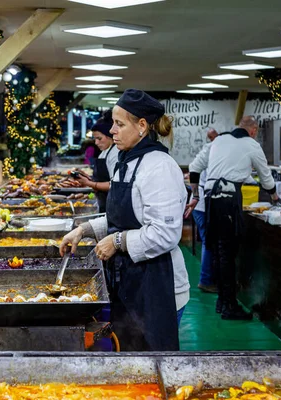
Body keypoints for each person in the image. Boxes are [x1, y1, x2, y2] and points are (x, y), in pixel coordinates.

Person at [60, 89, 189, 351]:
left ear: (142, 126)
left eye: (119, 124)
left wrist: (118, 242)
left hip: (157, 288)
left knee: (151, 368)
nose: (112, 131)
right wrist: (83, 230)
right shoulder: (127, 161)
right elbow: (120, 216)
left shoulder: (159, 167)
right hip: (131, 284)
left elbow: (165, 233)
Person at [186, 116, 279, 320]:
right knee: (228, 253)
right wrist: (275, 197)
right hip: (228, 199)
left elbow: (194, 168)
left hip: (211, 200)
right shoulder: (251, 145)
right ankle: (229, 306)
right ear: (253, 131)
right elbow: (266, 178)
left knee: (218, 252)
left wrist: (195, 194)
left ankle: (222, 301)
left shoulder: (218, 141)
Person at [184, 128, 219, 293]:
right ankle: (206, 280)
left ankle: (208, 278)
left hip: (200, 203)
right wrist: (197, 195)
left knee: (208, 241)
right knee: (209, 242)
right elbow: (194, 170)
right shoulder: (213, 152)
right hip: (203, 205)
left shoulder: (210, 151)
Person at [75, 111, 120, 213]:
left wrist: (89, 183)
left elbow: (113, 185)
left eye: (99, 138)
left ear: (110, 136)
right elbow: (103, 178)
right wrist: (87, 177)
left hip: (112, 205)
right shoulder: (104, 152)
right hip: (103, 202)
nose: (96, 143)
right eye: (95, 139)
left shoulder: (115, 153)